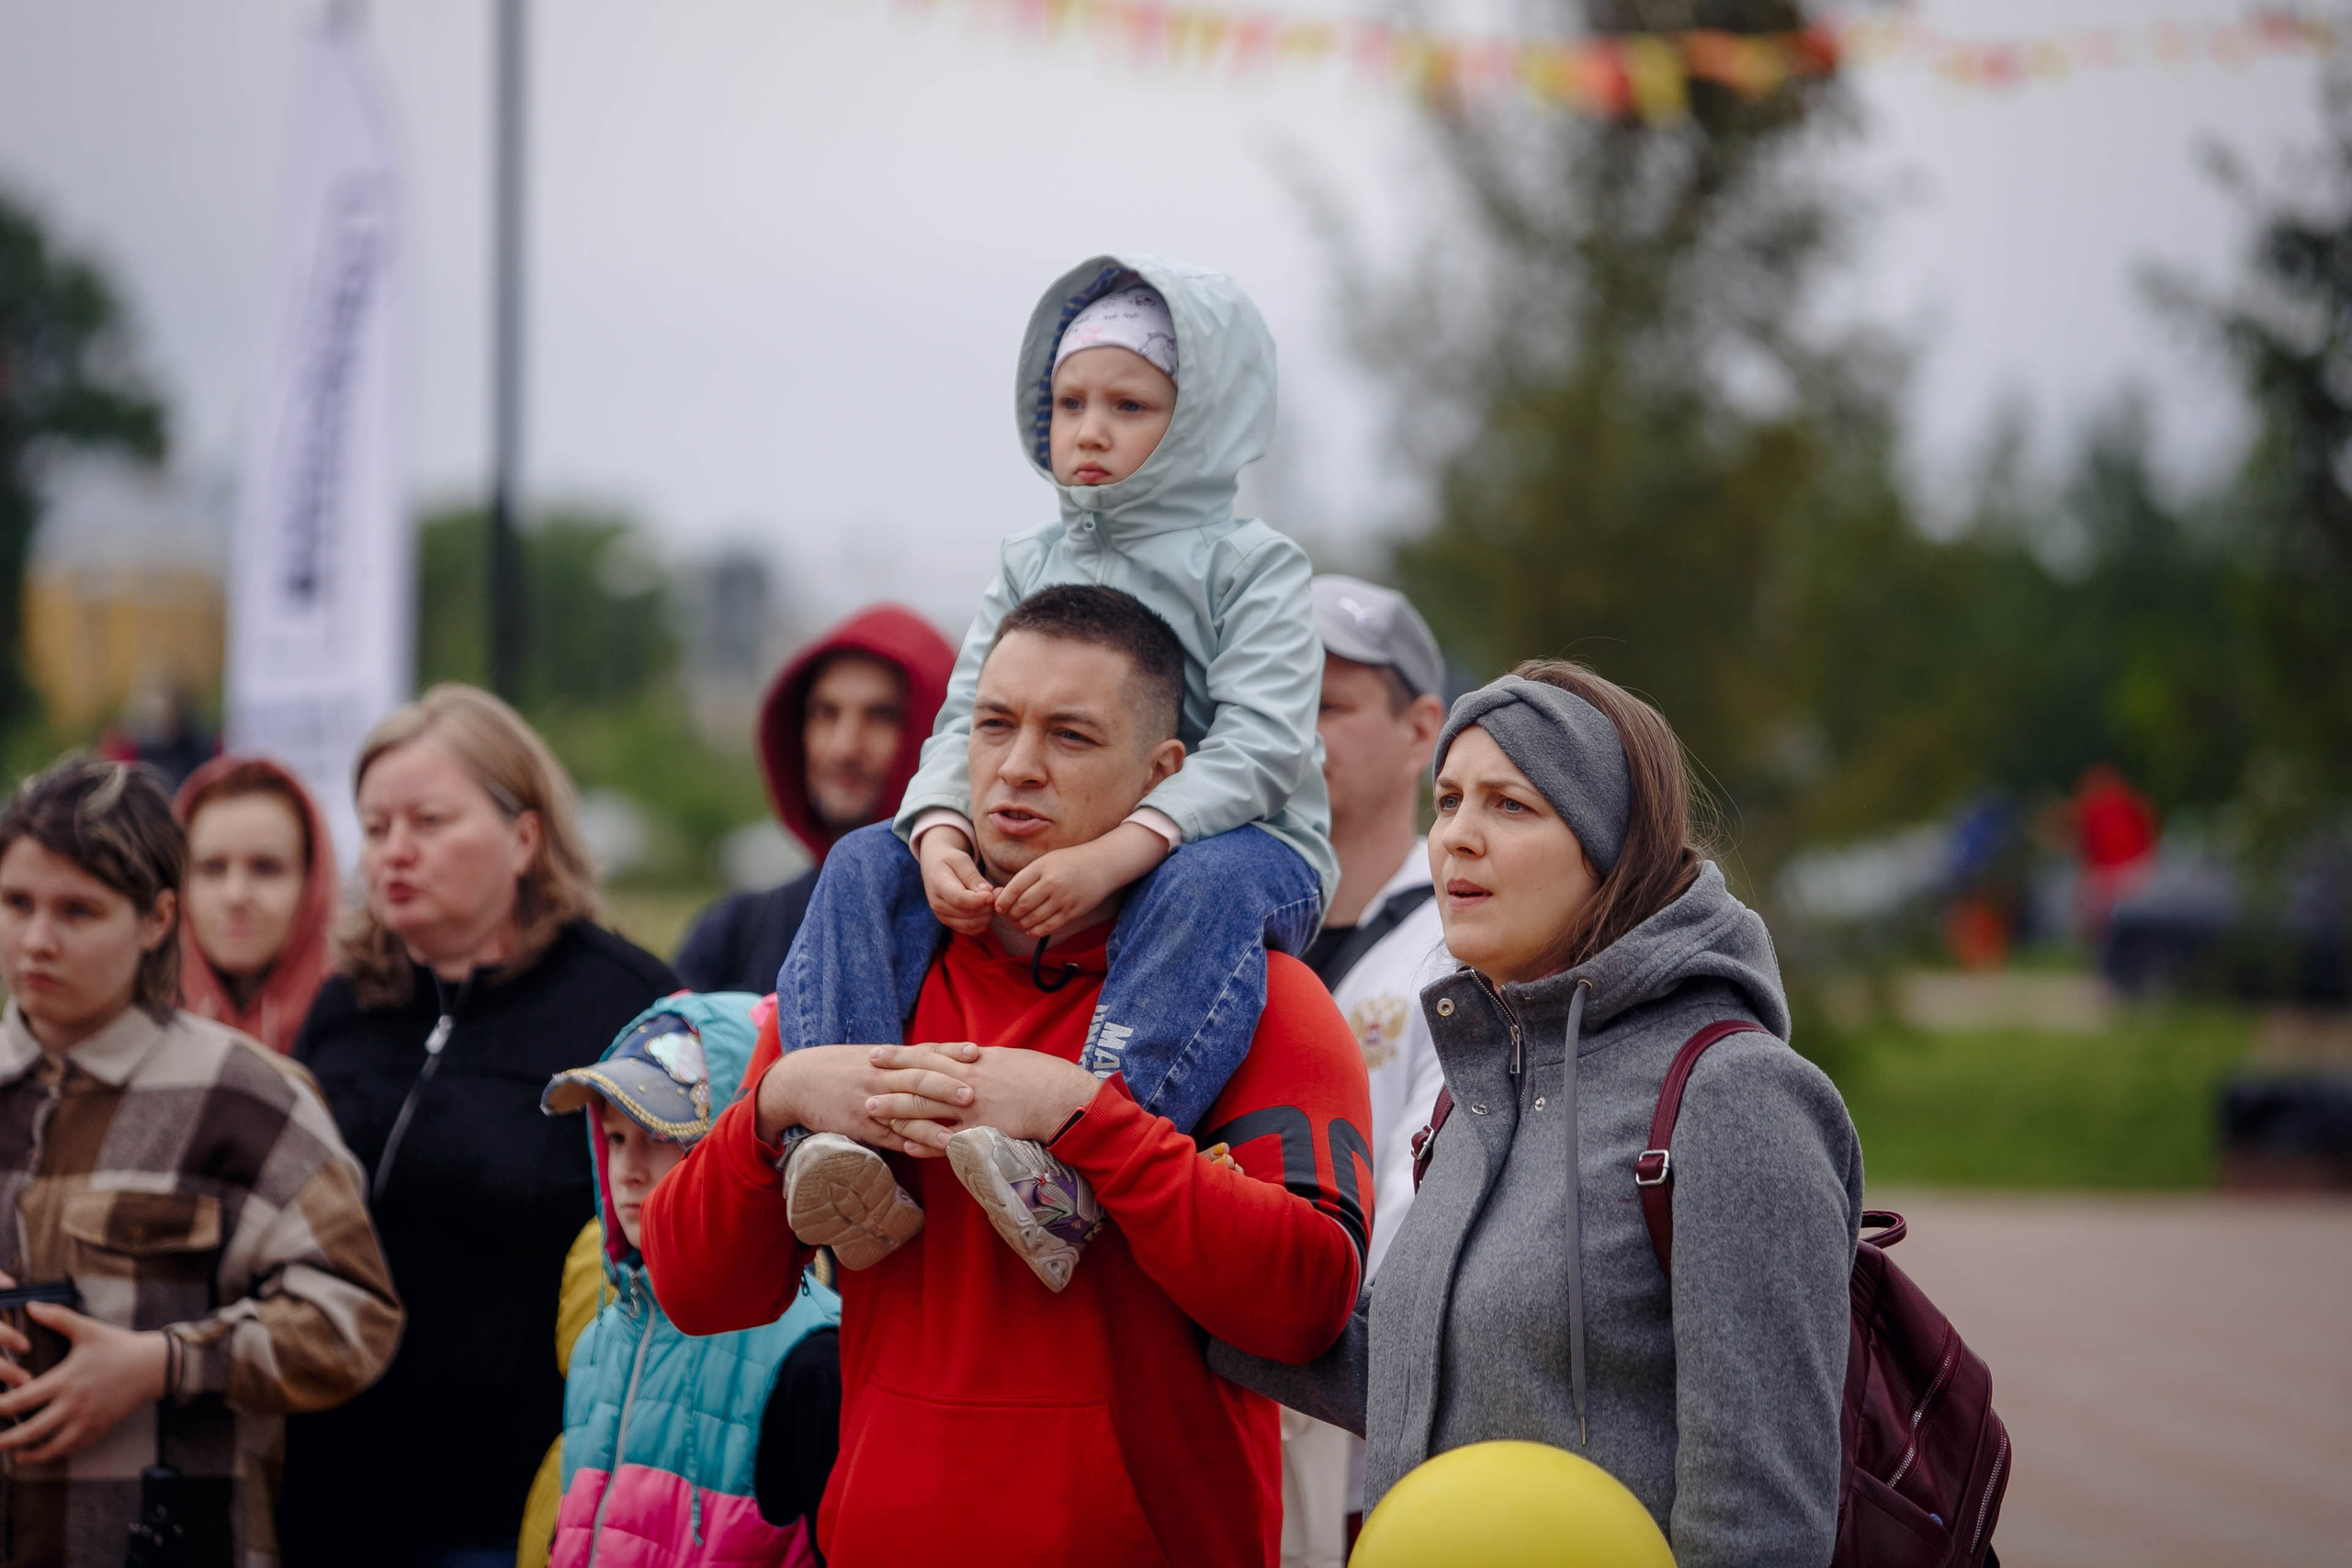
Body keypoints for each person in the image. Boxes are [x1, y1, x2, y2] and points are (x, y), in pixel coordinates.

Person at [640, 586, 1372, 1568]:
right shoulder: (868, 982)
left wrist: (1087, 1120)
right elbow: (694, 1291)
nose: (1017, 768)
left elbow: (1306, 1305)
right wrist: (770, 1109)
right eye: (994, 725)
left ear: (1166, 775)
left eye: (1070, 736)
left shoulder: (1264, 1000)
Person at [1216, 662, 1865, 1568]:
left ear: (1609, 848)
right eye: (1446, 802)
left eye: (1510, 806)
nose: (1455, 840)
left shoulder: (1735, 1096)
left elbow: (1763, 1514)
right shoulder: (1480, 1084)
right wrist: (1173, 1240)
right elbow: (1420, 1378)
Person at [776, 256, 1336, 1292]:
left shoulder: (1252, 564)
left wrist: (1120, 853)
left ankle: (1072, 1158)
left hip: (1239, 849)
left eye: (1128, 404)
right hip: (1067, 844)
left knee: (1197, 882)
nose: (1088, 430)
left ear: (1206, 417)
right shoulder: (1031, 557)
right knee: (869, 857)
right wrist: (941, 833)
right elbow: (961, 721)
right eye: (1069, 402)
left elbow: (1263, 746)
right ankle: (841, 1137)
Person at [280, 686, 681, 1568]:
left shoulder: (624, 1004)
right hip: (328, 1480)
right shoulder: (347, 1002)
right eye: (376, 826)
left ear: (525, 837)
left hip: (511, 1497)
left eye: (428, 820)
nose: (395, 851)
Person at [0, 757, 401, 1567]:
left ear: (156, 920)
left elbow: (356, 1318)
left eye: (79, 910)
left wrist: (165, 1362)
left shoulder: (247, 1095)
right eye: (16, 903)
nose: (38, 939)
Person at [538, 994, 841, 1568]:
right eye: (616, 1138)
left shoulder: (814, 1356)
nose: (626, 1171)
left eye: (660, 1136)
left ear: (740, 1152)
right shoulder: (601, 1341)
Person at [1281, 577, 1451, 1567]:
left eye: (1331, 705)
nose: (1299, 733)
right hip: (1225, 1437)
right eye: (1278, 700)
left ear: (1421, 727)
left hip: (1373, 1464)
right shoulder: (1211, 930)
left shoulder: (1465, 942)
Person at [673, 606, 956, 995]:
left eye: (882, 716)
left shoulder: (991, 944)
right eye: (826, 713)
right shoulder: (732, 937)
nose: (844, 747)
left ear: (944, 734)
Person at [173, 756, 340, 1055]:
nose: (235, 895)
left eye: (266, 868)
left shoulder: (370, 1029)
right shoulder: (126, 1028)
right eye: (211, 868)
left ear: (313, 882)